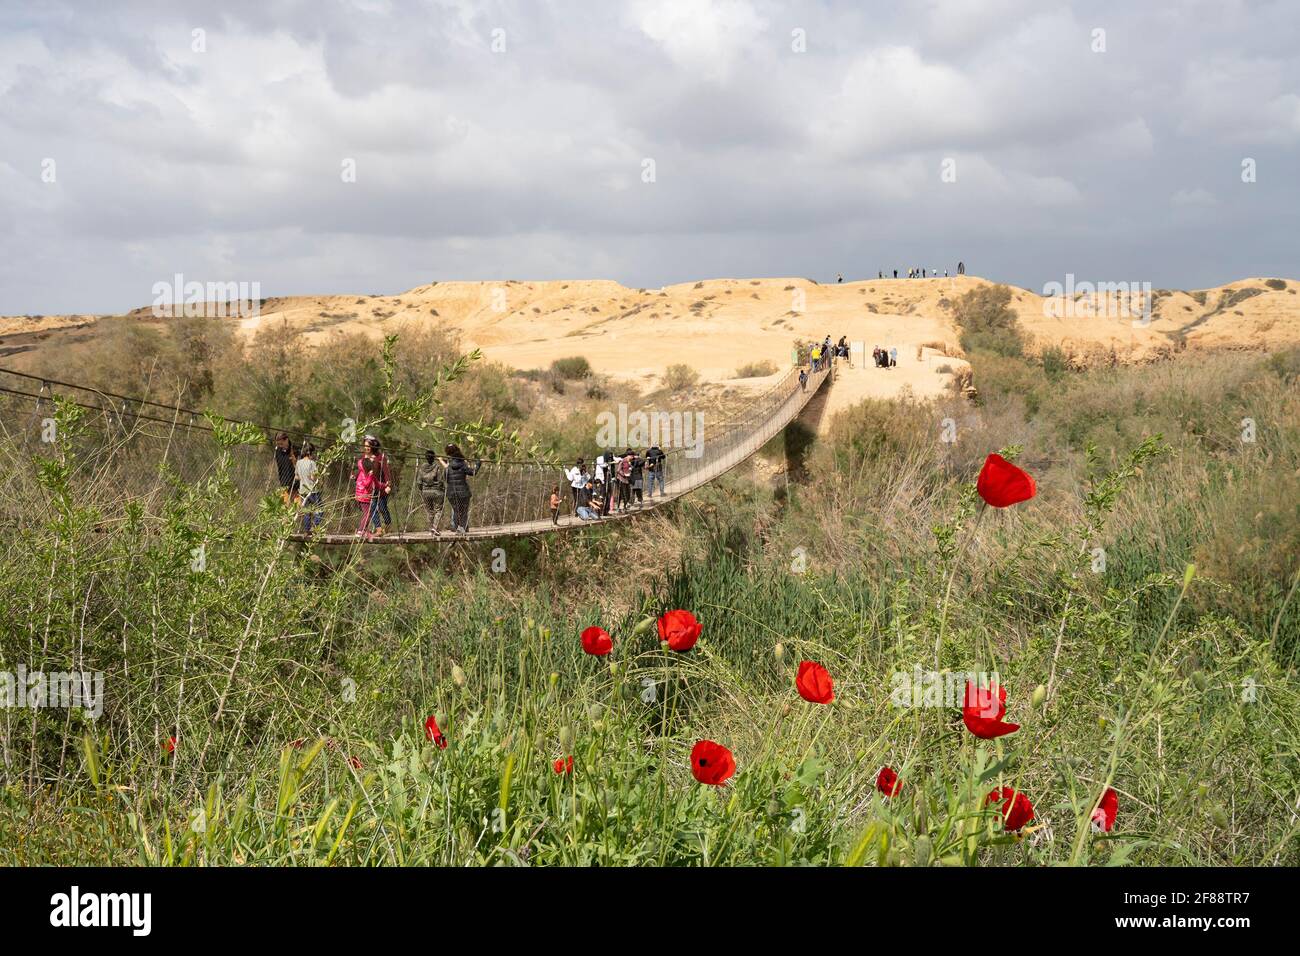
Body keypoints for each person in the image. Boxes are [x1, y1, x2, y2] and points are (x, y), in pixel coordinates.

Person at [444, 443, 482, 534]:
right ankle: (462, 528)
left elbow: (446, 478)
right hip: (463, 493)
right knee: (464, 511)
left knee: (456, 511)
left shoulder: (448, 466)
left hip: (451, 493)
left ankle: (458, 527)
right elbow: (473, 472)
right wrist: (478, 463)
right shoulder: (462, 464)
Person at [364, 436, 393, 535]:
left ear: (373, 446)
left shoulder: (381, 457)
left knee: (382, 507)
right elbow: (363, 471)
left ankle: (388, 524)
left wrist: (388, 485)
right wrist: (355, 477)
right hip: (371, 487)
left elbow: (386, 471)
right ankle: (379, 529)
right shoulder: (365, 457)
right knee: (372, 508)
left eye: (368, 446)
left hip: (381, 486)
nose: (366, 448)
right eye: (365, 446)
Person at [415, 449, 447, 535]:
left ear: (426, 458)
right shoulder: (437, 467)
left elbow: (418, 482)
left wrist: (422, 490)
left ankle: (431, 529)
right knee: (438, 510)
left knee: (430, 511)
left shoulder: (422, 468)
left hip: (426, 492)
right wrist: (442, 489)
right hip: (437, 491)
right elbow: (440, 480)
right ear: (434, 458)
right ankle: (435, 528)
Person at [296, 442, 323, 534]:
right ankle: (314, 528)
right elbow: (313, 477)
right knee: (320, 510)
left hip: (303, 490)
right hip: (313, 490)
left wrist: (303, 477)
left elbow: (297, 477)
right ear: (310, 453)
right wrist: (318, 477)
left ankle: (307, 530)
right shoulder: (312, 463)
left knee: (307, 511)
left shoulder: (298, 463)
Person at [355, 456, 379, 540]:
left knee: (368, 514)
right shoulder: (364, 474)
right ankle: (360, 530)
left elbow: (377, 484)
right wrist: (370, 476)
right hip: (363, 497)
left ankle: (364, 530)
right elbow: (366, 484)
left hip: (364, 497)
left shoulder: (366, 474)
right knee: (367, 514)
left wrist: (384, 486)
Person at [274, 432, 298, 505]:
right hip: (284, 482)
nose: (280, 446)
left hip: (295, 482)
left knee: (297, 506)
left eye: (281, 444)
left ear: (286, 440)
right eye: (278, 444)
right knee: (285, 506)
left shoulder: (295, 450)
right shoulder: (278, 451)